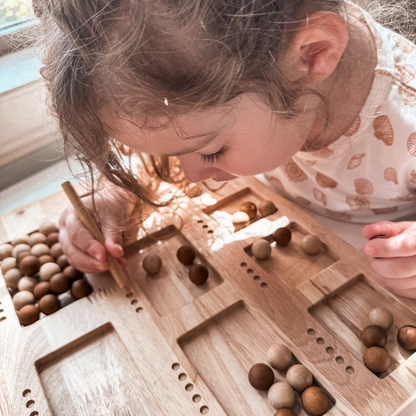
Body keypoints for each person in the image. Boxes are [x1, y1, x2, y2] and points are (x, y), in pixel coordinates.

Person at [34, 0, 416, 297]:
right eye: (171, 155)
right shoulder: (211, 94)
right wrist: (119, 191)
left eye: (211, 152)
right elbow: (173, 134)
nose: (191, 175)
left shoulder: (408, 118)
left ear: (313, 53)